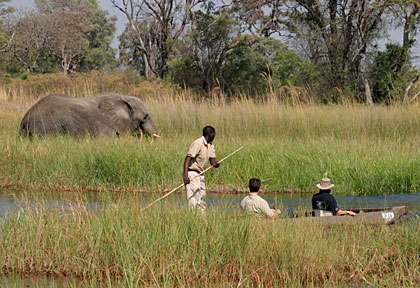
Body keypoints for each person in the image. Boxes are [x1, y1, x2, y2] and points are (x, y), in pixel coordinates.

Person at [183, 126, 220, 211]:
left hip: (200, 174)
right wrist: (185, 176)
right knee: (193, 200)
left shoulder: (210, 145)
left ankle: (202, 220)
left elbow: (212, 160)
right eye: (214, 134)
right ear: (210, 134)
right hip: (192, 174)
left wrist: (216, 164)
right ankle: (192, 218)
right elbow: (187, 159)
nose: (214, 136)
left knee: (202, 198)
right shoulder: (198, 143)